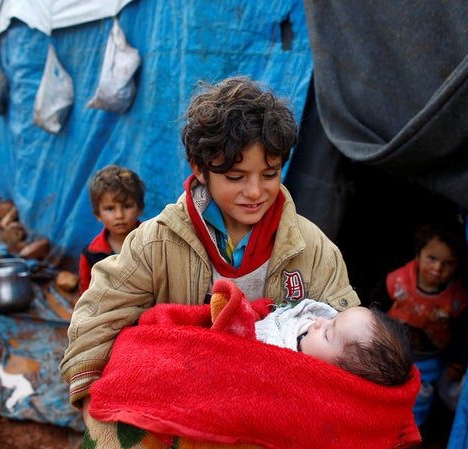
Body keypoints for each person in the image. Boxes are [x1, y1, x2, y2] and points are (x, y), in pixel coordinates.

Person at [60, 74, 360, 416]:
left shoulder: (312, 248)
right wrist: (92, 405)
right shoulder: (155, 242)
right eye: (235, 176)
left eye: (269, 174)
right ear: (200, 168)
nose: (255, 192)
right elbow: (97, 318)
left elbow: (349, 335)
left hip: (273, 419)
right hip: (177, 412)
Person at [369, 222, 468, 429]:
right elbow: (373, 309)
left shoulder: (457, 299)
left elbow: (463, 336)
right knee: (380, 390)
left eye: (448, 263)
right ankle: (376, 427)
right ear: (418, 255)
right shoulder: (397, 283)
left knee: (420, 398)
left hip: (430, 361)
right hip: (391, 354)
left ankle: (411, 433)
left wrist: (457, 365)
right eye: (432, 258)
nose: (437, 268)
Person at [255, 299, 413, 386]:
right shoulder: (311, 320)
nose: (320, 321)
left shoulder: (293, 378)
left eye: (327, 335)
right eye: (333, 319)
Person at [78, 165, 145, 294]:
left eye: (127, 206)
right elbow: (87, 296)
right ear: (98, 214)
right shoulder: (91, 255)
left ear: (140, 208)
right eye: (110, 209)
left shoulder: (152, 242)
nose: (119, 215)